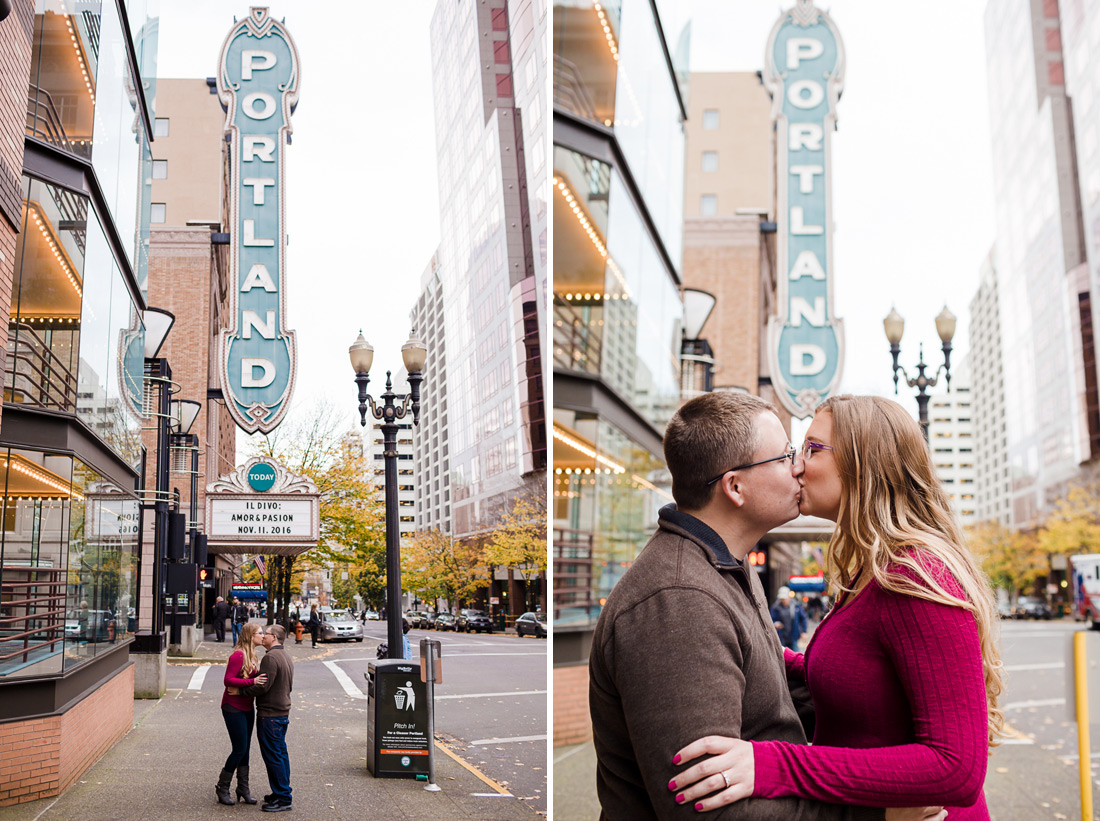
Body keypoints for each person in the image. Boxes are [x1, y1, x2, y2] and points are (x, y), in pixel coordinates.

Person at [589, 391, 941, 821]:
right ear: (735, 486)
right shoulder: (679, 601)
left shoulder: (725, 564)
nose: (798, 468)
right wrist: (872, 815)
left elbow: (762, 692)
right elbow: (707, 811)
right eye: (784, 456)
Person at [669, 395, 1001, 820]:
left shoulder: (916, 575)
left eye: (812, 448)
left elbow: (956, 769)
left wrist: (773, 764)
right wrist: (733, 640)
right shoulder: (869, 571)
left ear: (864, 461)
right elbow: (854, 682)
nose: (797, 466)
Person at [242, 624, 295, 813]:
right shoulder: (285, 655)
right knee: (281, 755)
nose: (263, 636)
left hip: (270, 715)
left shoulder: (271, 657)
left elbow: (263, 686)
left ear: (274, 637)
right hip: (281, 713)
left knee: (273, 757)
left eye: (267, 633)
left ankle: (283, 797)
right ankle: (281, 792)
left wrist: (242, 690)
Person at [215, 622, 268, 805]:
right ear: (250, 635)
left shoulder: (253, 654)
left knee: (245, 749)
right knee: (239, 749)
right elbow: (227, 680)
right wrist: (252, 681)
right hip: (232, 707)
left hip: (247, 707)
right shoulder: (238, 655)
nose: (262, 636)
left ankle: (243, 788)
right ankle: (222, 787)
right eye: (259, 633)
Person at [770, 586, 807, 651]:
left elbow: (803, 618)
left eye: (784, 598)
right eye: (781, 599)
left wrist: (804, 631)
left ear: (789, 597)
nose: (783, 600)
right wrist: (775, 623)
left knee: (795, 655)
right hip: (781, 637)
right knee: (783, 657)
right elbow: (772, 619)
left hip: (793, 636)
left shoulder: (796, 606)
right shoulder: (775, 607)